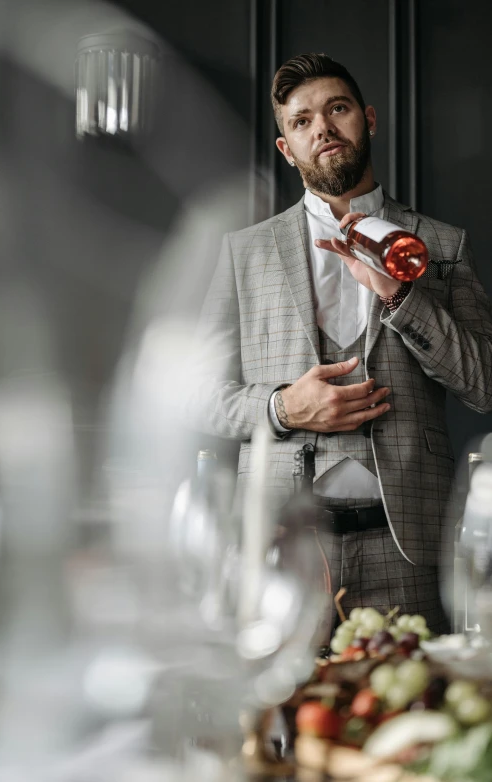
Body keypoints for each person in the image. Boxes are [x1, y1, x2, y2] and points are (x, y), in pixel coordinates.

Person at [188, 53, 492, 633]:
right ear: (286, 148)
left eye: (337, 109)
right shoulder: (243, 252)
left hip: (407, 547)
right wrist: (282, 407)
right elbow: (197, 392)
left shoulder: (443, 246)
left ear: (368, 119)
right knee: (281, 717)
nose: (321, 128)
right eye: (301, 121)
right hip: (280, 545)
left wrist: (403, 300)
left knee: (410, 710)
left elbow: (484, 385)